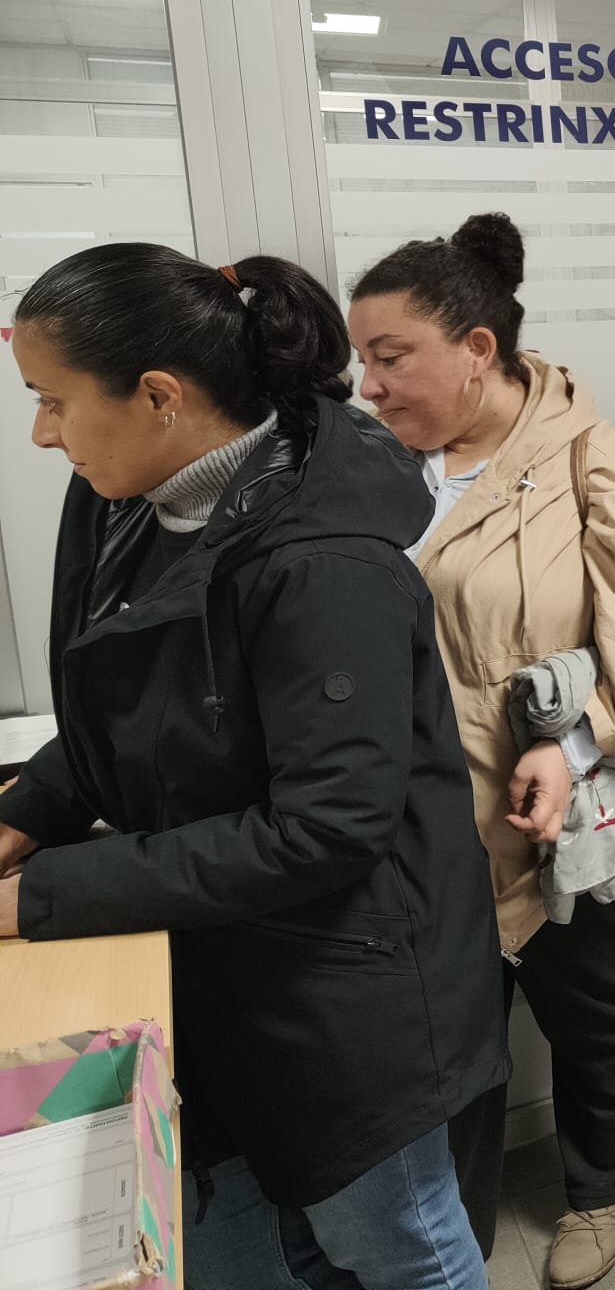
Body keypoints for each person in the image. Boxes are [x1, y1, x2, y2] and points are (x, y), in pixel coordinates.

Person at [0, 244, 505, 1289]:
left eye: (52, 402)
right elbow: (129, 702)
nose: (41, 433)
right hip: (225, 956)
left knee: (398, 1249)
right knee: (263, 1243)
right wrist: (31, 809)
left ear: (159, 397)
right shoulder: (123, 500)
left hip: (347, 994)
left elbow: (325, 827)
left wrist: (41, 895)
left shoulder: (323, 563)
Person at [346, 212, 615, 1289]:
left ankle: (602, 1191)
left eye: (391, 358)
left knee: (602, 1007)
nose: (369, 386)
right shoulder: (372, 467)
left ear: (476, 351)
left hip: (572, 804)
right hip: (420, 813)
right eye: (362, 360)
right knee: (444, 1029)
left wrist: (576, 737)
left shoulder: (592, 463)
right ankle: (449, 1228)